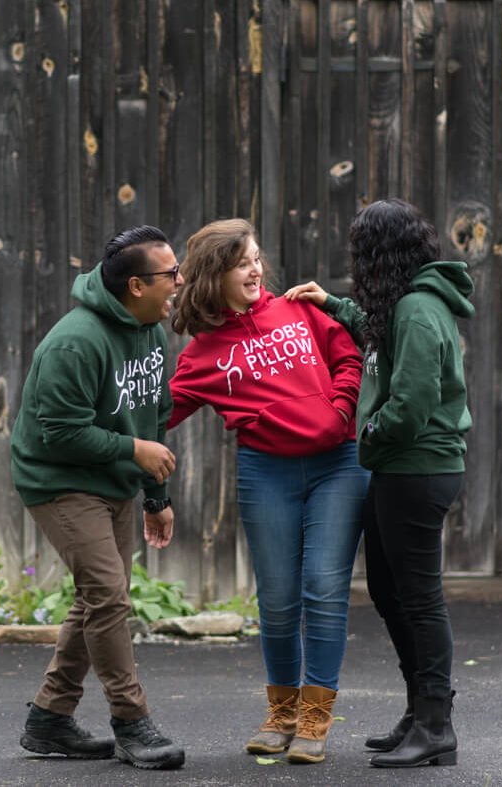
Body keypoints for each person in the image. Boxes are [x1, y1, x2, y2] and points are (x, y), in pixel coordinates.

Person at [165, 218, 368, 764]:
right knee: (277, 602)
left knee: (323, 589)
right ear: (215, 275)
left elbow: (351, 357)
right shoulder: (204, 353)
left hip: (339, 466)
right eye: (241, 262)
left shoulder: (302, 310)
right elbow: (156, 414)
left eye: (256, 258)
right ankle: (280, 714)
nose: (255, 269)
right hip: (266, 473)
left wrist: (341, 407)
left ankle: (315, 718)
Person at [284, 198, 473, 768]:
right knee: (393, 596)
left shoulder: (417, 308)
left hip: (417, 468)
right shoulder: (405, 305)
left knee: (419, 600)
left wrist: (367, 431)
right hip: (401, 469)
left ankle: (436, 724)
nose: (356, 260)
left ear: (379, 253)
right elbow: (376, 334)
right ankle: (420, 714)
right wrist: (332, 304)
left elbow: (412, 404)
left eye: (360, 250)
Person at [9, 225, 187, 771]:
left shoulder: (152, 331)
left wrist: (156, 497)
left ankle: (49, 719)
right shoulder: (75, 341)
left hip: (113, 481)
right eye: (170, 274)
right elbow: (58, 431)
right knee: (108, 596)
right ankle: (132, 722)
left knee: (97, 599)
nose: (179, 282)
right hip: (58, 480)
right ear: (137, 285)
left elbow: (153, 417)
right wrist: (134, 450)